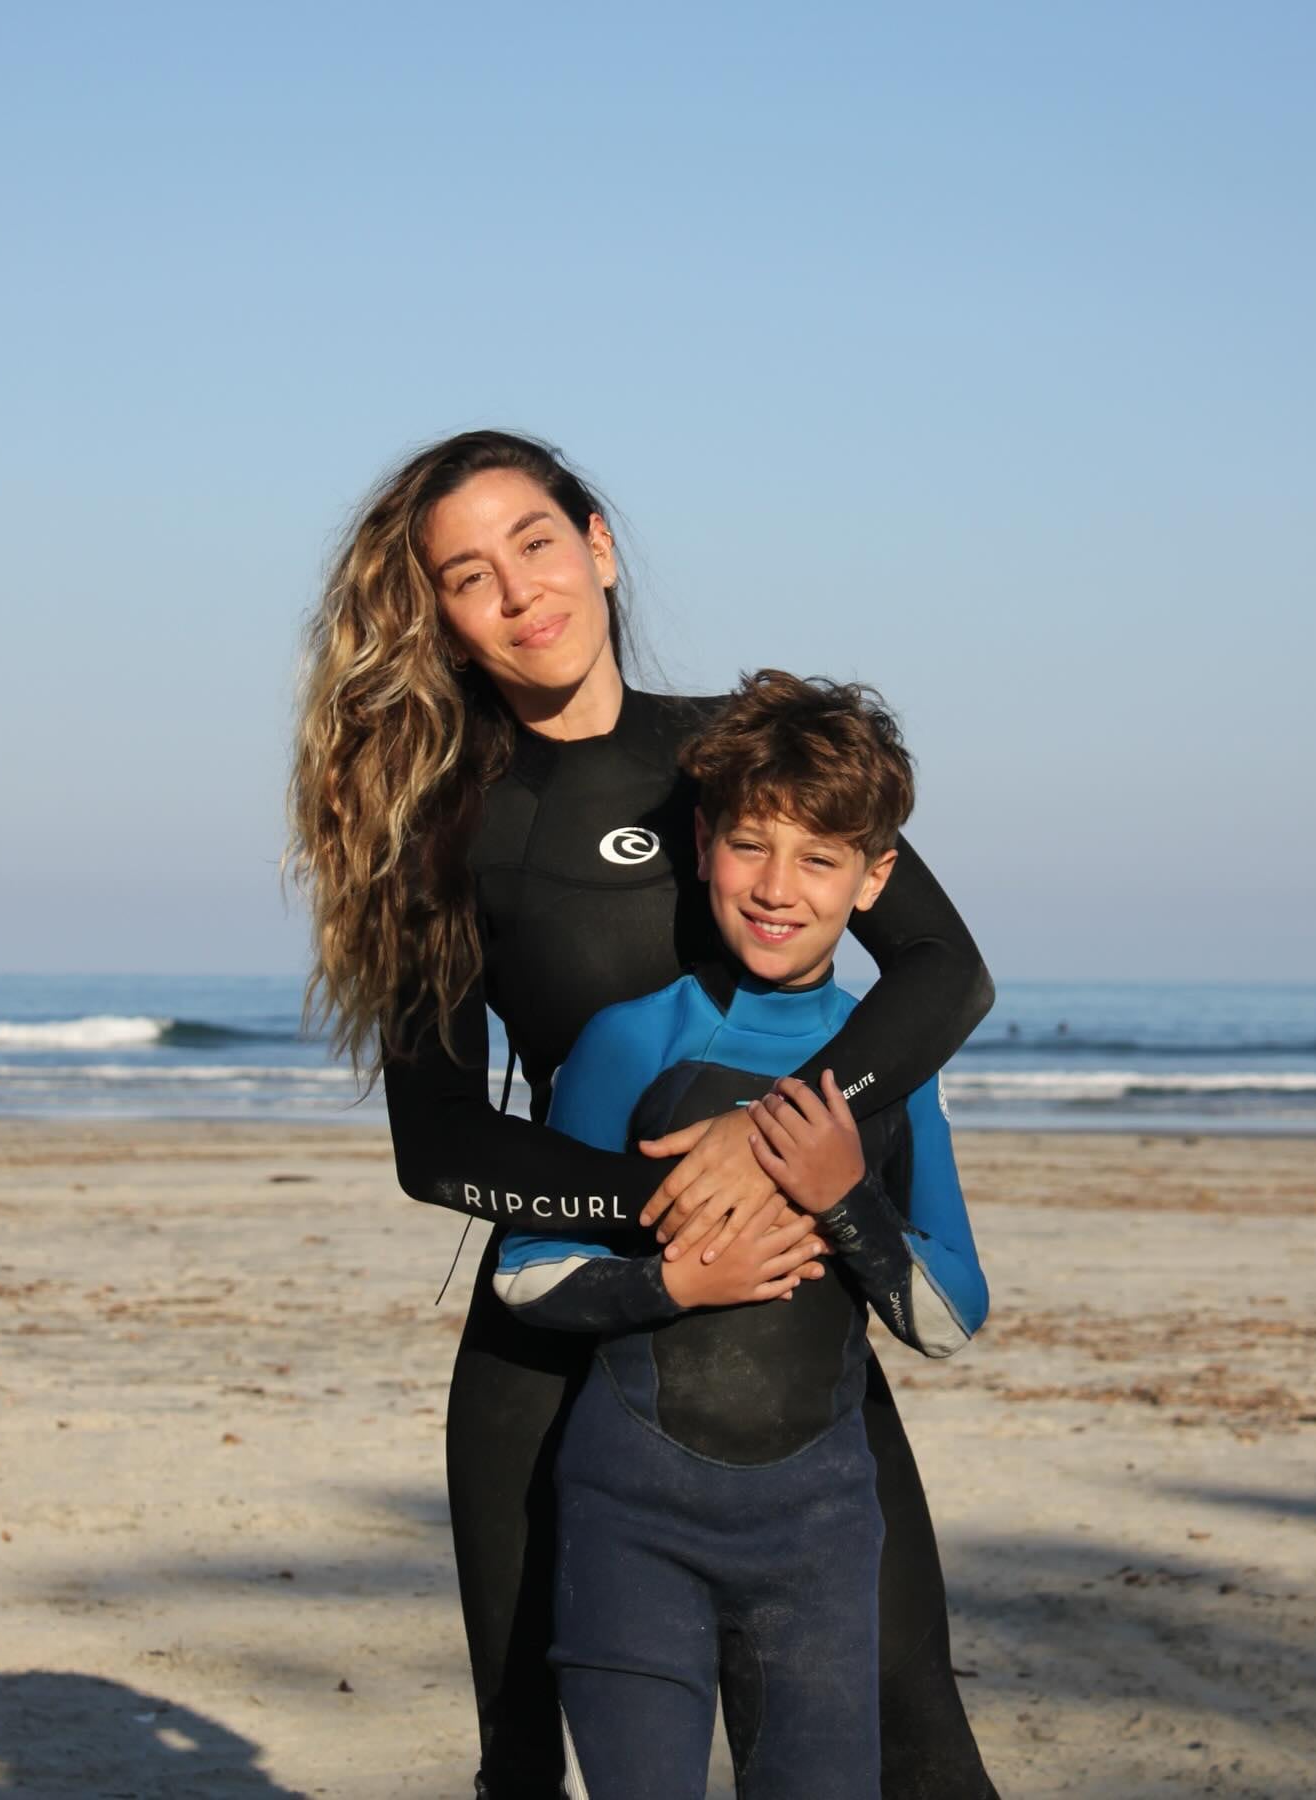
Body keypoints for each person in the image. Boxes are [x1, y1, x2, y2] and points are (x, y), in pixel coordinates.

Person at [288, 430, 998, 1799]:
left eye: (537, 544)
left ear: (599, 546)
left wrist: (775, 1135)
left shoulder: (735, 763)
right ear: (436, 613)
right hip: (547, 1350)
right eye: (467, 576)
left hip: (789, 1343)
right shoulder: (434, 827)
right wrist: (668, 1215)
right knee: (524, 1761)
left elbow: (945, 972)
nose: (518, 592)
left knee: (916, 1731)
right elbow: (437, 1145)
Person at [495, 671, 990, 1800]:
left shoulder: (892, 1071)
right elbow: (527, 1277)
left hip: (816, 1537)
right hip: (627, 1523)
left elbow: (951, 1316)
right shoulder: (628, 1043)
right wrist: (676, 1280)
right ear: (706, 842)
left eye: (819, 860)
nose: (778, 889)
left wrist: (842, 1196)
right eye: (752, 848)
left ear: (875, 879)